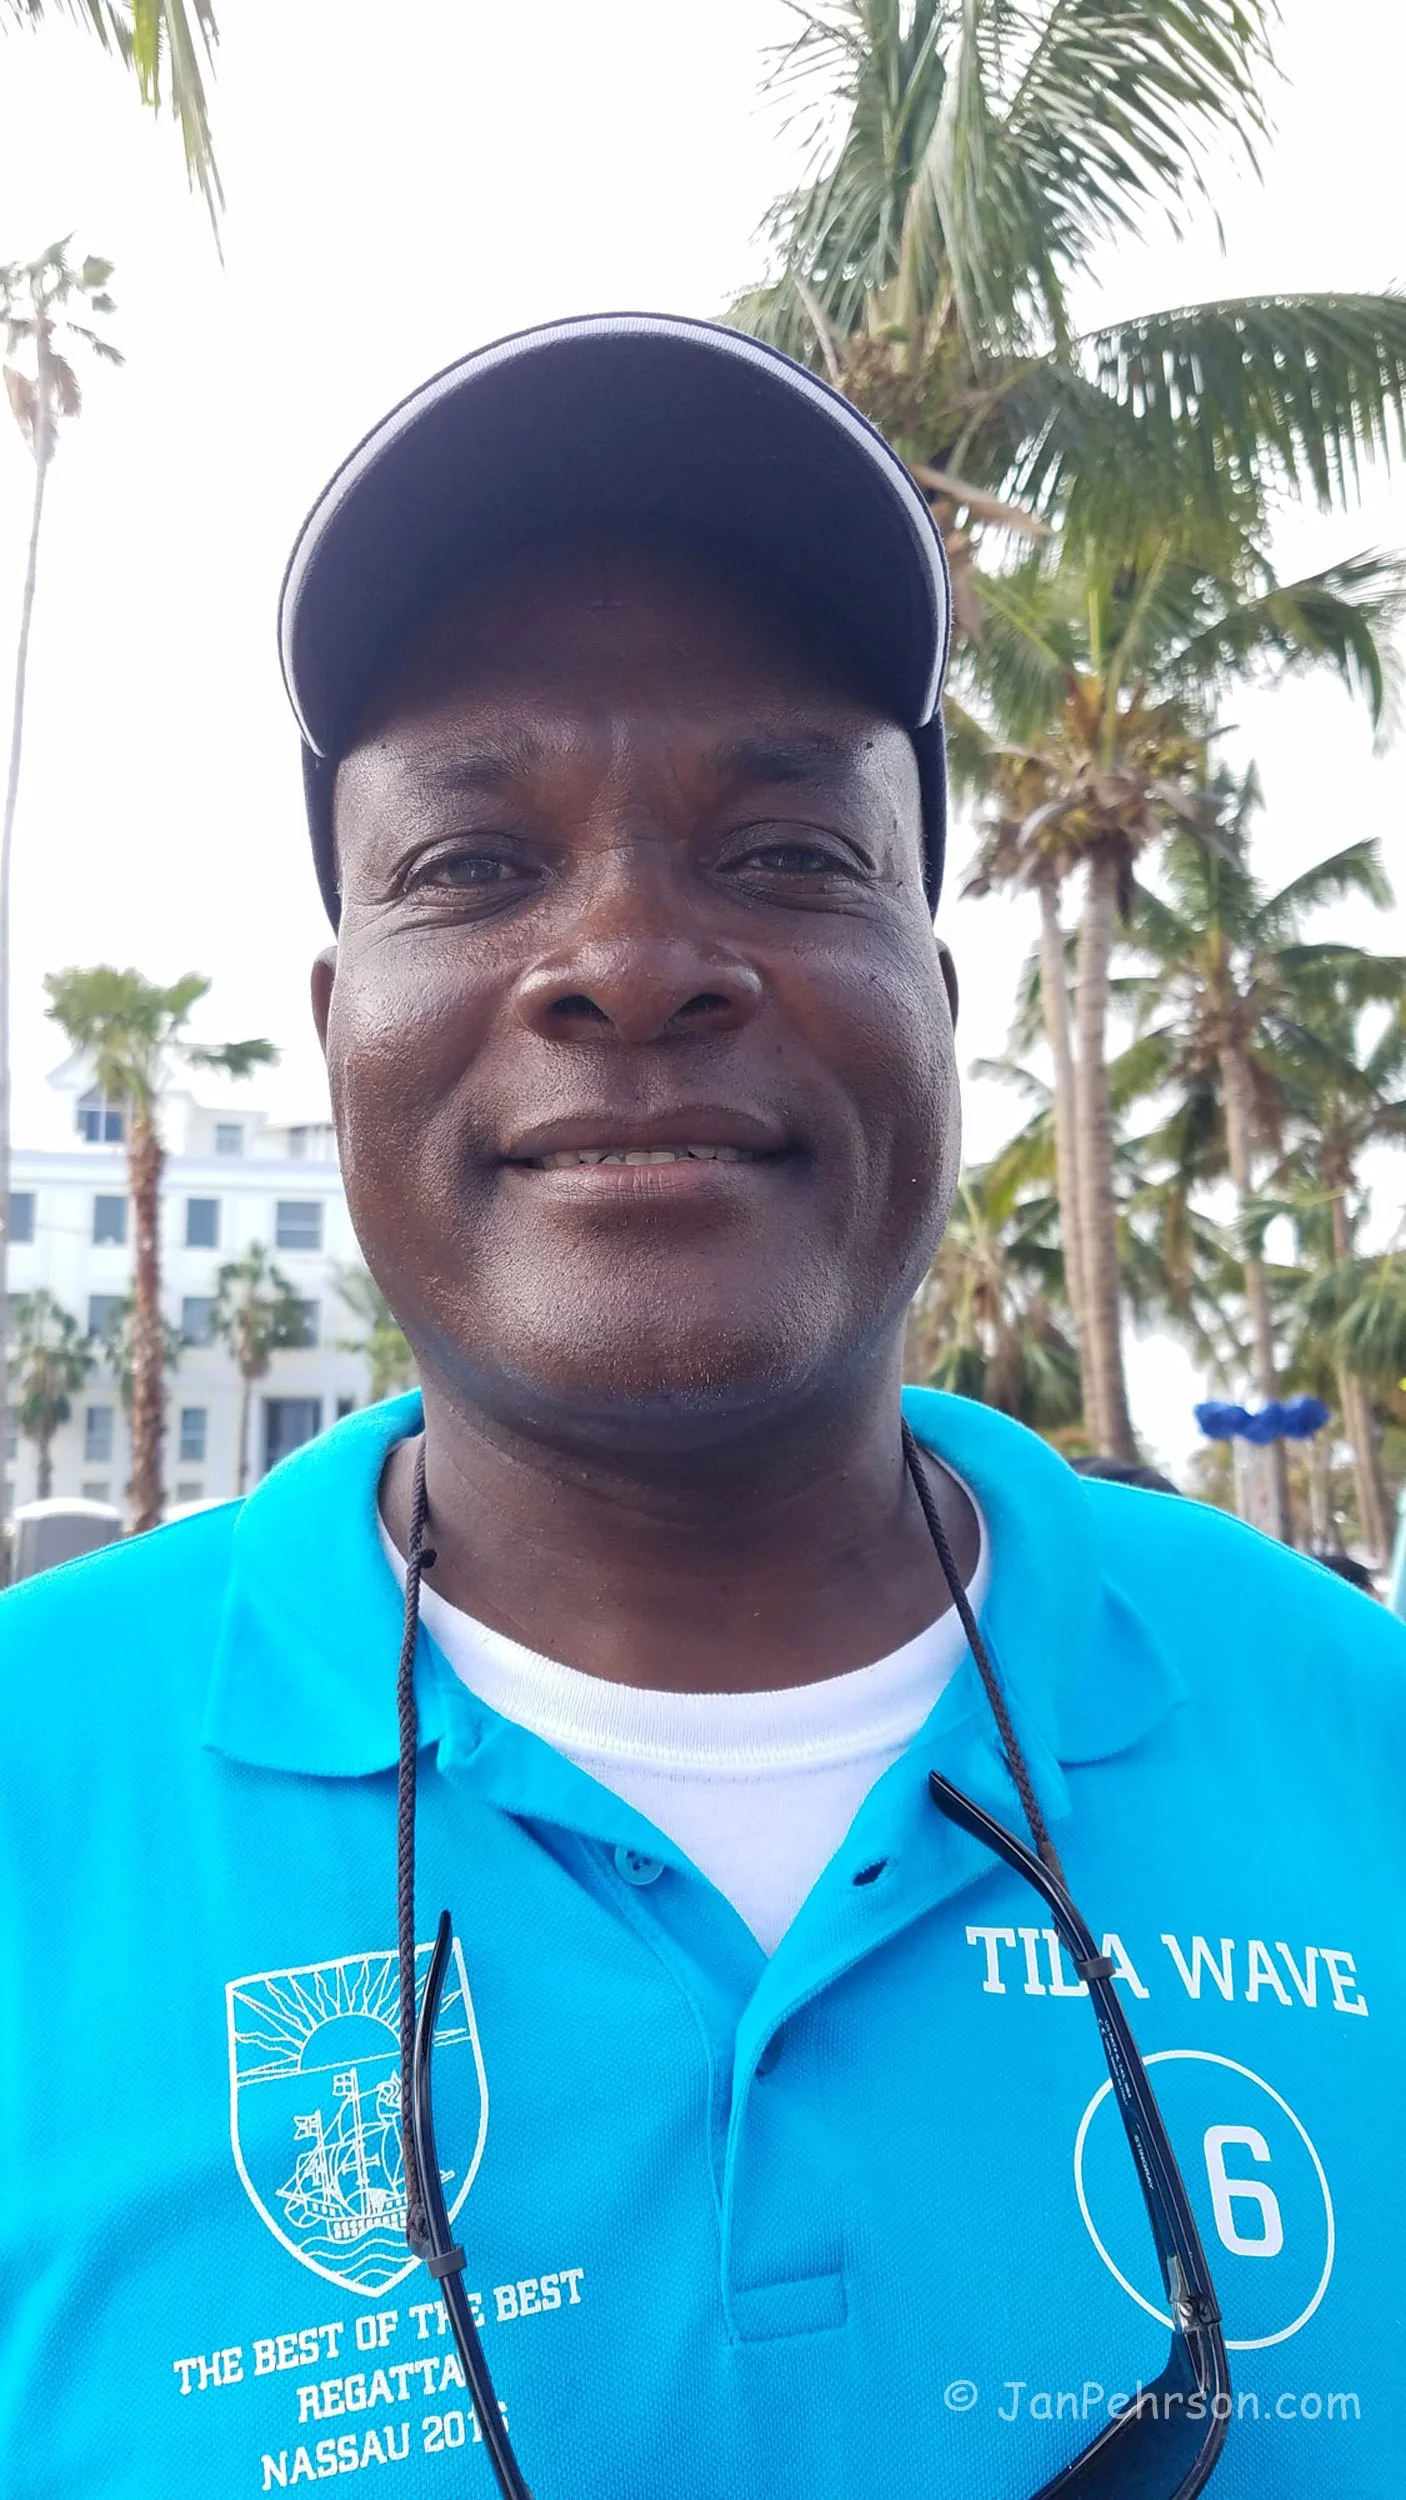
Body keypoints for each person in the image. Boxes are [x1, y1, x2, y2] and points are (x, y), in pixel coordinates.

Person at [1, 315, 1403, 2500]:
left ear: (934, 999)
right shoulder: (40, 1777)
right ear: (338, 1021)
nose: (633, 956)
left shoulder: (1352, 1732)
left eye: (787, 853)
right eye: (473, 865)